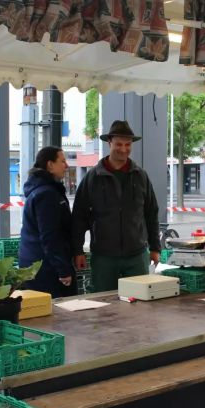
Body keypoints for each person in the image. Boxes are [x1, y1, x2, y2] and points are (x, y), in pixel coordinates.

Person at [72, 120, 161, 292]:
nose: (124, 149)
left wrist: (155, 247)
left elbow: (151, 213)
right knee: (103, 303)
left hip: (137, 255)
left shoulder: (141, 176)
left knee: (139, 302)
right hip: (104, 256)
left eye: (128, 144)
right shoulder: (92, 178)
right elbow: (79, 217)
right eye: (119, 144)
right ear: (109, 143)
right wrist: (78, 250)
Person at [18, 147, 77, 298]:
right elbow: (50, 236)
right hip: (45, 269)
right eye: (62, 161)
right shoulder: (47, 194)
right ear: (50, 165)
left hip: (36, 264)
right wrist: (63, 270)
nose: (66, 165)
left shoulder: (42, 189)